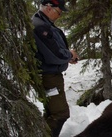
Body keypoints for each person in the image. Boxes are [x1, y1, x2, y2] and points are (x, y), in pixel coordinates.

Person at [32, 0, 78, 136]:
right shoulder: (40, 27)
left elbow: (54, 50)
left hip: (50, 75)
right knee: (60, 113)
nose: (59, 15)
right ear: (48, 8)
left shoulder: (44, 23)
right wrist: (69, 54)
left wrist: (67, 57)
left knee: (52, 112)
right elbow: (54, 54)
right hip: (49, 77)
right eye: (58, 12)